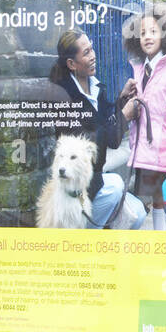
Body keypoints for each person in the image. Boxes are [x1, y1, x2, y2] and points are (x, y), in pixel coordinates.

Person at [121, 2, 166, 230]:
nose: (148, 37)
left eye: (154, 31)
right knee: (155, 200)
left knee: (165, 198)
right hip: (145, 152)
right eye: (143, 33)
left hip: (165, 151)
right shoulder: (140, 70)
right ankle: (159, 239)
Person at [46, 29, 128, 203]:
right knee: (116, 189)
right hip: (77, 184)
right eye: (86, 53)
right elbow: (95, 141)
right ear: (72, 64)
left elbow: (112, 139)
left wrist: (122, 100)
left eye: (91, 49)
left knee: (136, 214)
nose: (93, 56)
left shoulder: (96, 87)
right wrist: (126, 115)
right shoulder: (64, 95)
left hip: (96, 175)